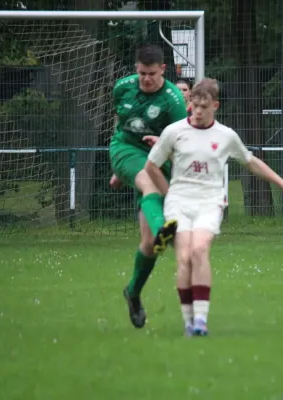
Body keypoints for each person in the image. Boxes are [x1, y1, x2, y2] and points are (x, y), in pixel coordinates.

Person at [144, 78, 283, 336]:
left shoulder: (226, 136)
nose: (198, 111)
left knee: (199, 250)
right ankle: (189, 322)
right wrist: (169, 193)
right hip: (179, 202)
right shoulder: (174, 132)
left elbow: (251, 162)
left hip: (210, 202)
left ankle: (201, 321)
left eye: (204, 106)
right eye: (194, 105)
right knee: (184, 258)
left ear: (216, 106)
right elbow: (151, 166)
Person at [108, 44, 188, 329]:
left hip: (159, 159)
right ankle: (166, 230)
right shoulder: (122, 88)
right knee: (147, 183)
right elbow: (121, 124)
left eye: (151, 74)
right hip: (125, 150)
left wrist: (161, 146)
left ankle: (133, 292)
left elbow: (182, 144)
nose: (146, 79)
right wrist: (122, 169)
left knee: (148, 247)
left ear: (163, 70)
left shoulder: (174, 100)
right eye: (141, 73)